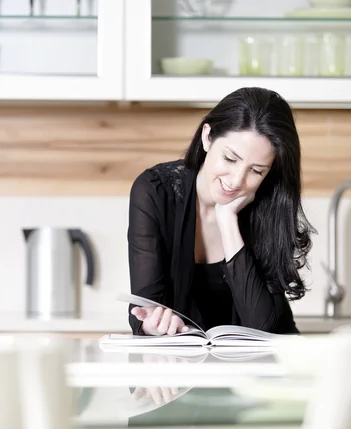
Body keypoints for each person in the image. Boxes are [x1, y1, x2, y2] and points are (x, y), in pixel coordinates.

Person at [127, 87, 315, 337]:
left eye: (256, 171)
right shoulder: (155, 191)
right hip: (186, 365)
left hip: (266, 364)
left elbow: (263, 328)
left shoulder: (267, 205)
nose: (237, 180)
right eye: (230, 158)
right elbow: (146, 305)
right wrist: (152, 323)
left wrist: (228, 220)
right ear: (207, 137)